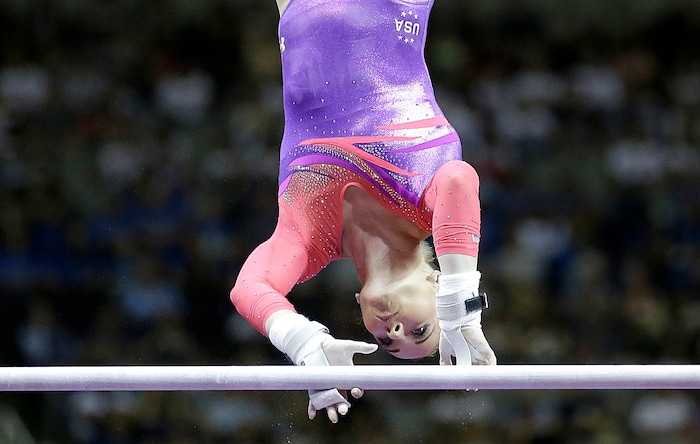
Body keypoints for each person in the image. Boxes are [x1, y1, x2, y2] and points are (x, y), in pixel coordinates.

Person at [230, 0, 497, 423]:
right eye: (419, 330)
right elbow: (459, 180)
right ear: (436, 281)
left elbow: (249, 288)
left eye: (387, 342)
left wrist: (303, 342)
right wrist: (459, 312)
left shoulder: (311, 240)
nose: (393, 330)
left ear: (358, 304)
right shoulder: (426, 209)